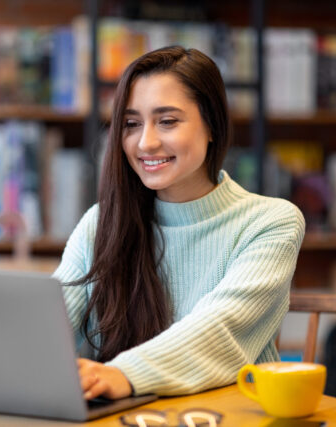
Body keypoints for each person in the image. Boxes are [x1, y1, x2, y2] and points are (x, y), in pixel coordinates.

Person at [52, 46, 305, 401]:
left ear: (213, 126)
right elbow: (48, 327)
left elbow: (220, 331)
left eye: (167, 121)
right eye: (131, 124)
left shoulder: (270, 223)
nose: (146, 142)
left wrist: (123, 374)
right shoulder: (101, 223)